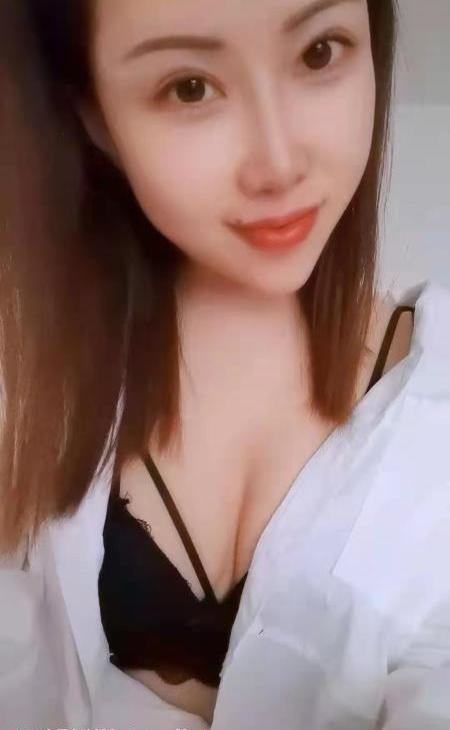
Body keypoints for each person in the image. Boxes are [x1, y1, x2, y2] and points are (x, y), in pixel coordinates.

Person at [1, 0, 449, 728]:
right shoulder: (30, 375)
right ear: (94, 117)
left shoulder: (434, 399)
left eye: (319, 52)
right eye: (190, 88)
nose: (279, 163)